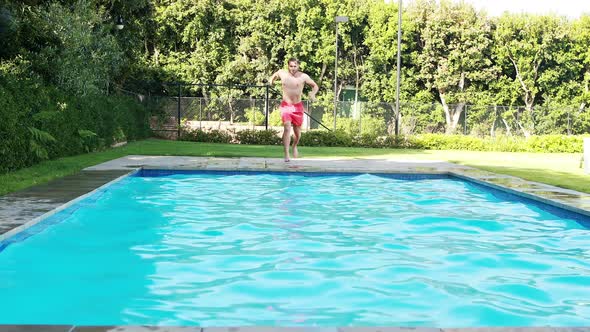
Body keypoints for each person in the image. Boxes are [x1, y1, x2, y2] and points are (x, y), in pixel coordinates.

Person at [269, 58, 319, 162]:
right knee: (287, 127)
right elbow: (275, 75)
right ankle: (286, 154)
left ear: (298, 66)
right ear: (288, 66)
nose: (293, 68)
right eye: (291, 66)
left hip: (297, 107)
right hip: (286, 106)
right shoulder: (282, 73)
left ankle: (295, 145)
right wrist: (271, 81)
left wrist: (313, 94)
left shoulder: (303, 76)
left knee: (297, 133)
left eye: (295, 66)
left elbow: (315, 86)